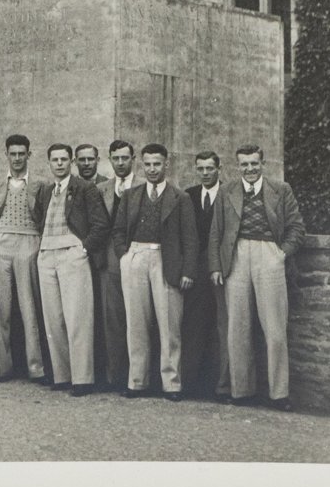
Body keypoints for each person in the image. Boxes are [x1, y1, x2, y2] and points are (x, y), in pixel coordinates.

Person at [210, 145, 305, 411]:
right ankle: (242, 391)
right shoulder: (227, 191)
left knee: (274, 328)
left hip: (269, 255)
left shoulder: (280, 189)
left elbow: (297, 227)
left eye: (254, 164)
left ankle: (279, 394)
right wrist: (216, 266)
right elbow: (216, 232)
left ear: (263, 163)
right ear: (237, 166)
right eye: (244, 165)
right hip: (236, 255)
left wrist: (281, 254)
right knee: (237, 328)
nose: (250, 169)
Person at [112, 143, 197, 399]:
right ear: (142, 165)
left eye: (157, 164)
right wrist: (124, 255)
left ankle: (171, 383)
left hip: (166, 259)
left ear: (166, 165)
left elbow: (190, 239)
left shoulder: (180, 197)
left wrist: (187, 271)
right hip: (135, 256)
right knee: (136, 324)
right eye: (147, 164)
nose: (151, 169)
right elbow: (118, 230)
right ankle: (137, 381)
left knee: (169, 324)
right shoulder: (131, 195)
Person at [36, 143, 110, 395]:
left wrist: (82, 249)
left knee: (77, 318)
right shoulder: (46, 191)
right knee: (53, 318)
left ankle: (82, 378)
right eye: (54, 159)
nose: (59, 163)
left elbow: (101, 225)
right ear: (49, 163)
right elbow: (40, 222)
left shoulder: (85, 188)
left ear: (71, 162)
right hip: (47, 254)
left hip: (72, 253)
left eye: (64, 159)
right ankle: (62, 375)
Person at [0, 134, 48, 384]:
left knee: (30, 308)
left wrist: (37, 244)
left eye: (21, 154)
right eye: (12, 154)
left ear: (29, 154)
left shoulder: (40, 183)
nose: (17, 159)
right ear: (6, 155)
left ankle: (36, 368)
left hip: (29, 242)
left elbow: (45, 217)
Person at [181, 150, 232, 400]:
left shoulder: (229, 194)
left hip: (224, 267)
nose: (204, 173)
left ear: (218, 169)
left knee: (224, 326)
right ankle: (191, 384)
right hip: (197, 269)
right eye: (200, 169)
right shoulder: (188, 196)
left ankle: (223, 386)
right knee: (194, 324)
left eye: (209, 169)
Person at [94, 140, 140, 391]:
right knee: (113, 317)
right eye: (116, 158)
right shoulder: (102, 189)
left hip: (138, 252)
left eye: (125, 158)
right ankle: (115, 376)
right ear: (109, 160)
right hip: (110, 256)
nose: (120, 163)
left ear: (133, 158)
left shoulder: (145, 186)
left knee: (139, 317)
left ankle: (140, 376)